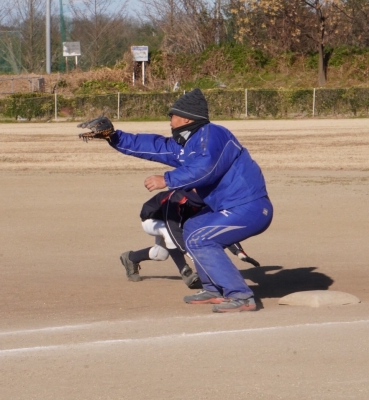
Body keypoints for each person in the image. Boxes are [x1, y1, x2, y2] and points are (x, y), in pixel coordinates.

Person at [80, 88, 273, 313]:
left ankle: (240, 295)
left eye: (172, 116)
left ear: (187, 118)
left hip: (249, 207)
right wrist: (115, 137)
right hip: (231, 207)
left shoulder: (213, 134)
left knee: (200, 239)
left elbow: (206, 168)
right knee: (192, 228)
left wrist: (167, 179)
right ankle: (214, 289)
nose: (170, 121)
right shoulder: (187, 144)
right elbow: (154, 146)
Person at [120, 188, 261, 289]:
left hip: (174, 223)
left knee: (160, 254)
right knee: (169, 234)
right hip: (152, 219)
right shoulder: (175, 199)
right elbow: (173, 228)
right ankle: (185, 271)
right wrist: (189, 254)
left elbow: (218, 224)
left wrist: (238, 251)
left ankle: (131, 258)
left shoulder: (207, 197)